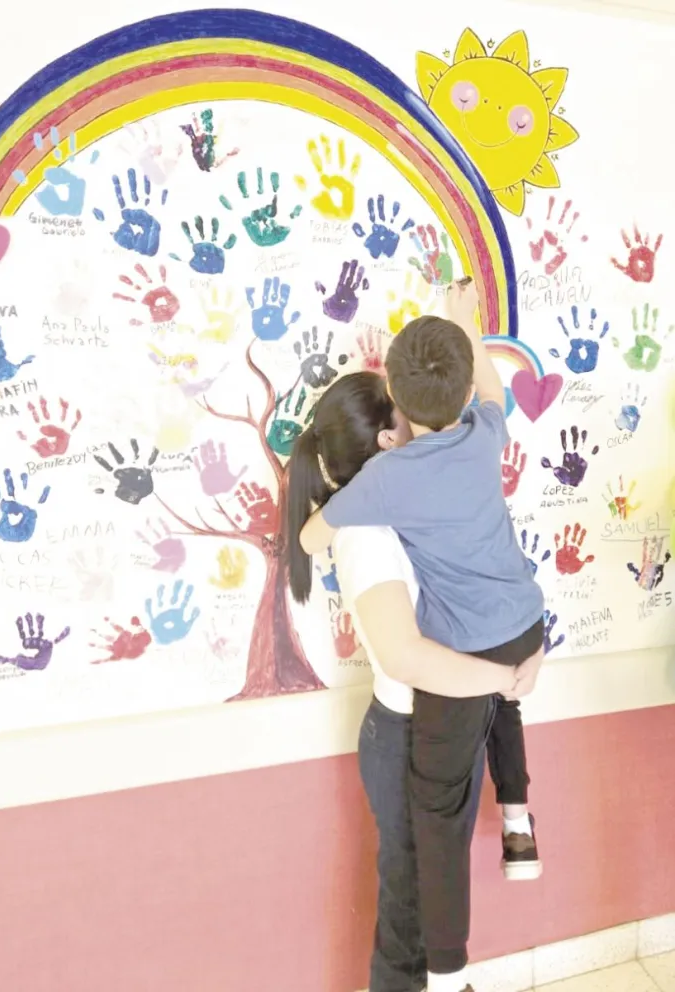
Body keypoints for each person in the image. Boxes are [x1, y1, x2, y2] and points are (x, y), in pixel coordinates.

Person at [299, 279, 545, 991]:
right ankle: (514, 829)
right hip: (491, 653)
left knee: (429, 853)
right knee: (418, 877)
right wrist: (464, 320)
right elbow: (491, 389)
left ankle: (448, 969)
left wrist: (319, 516)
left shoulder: (383, 486)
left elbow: (313, 538)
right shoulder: (476, 437)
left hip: (466, 672)